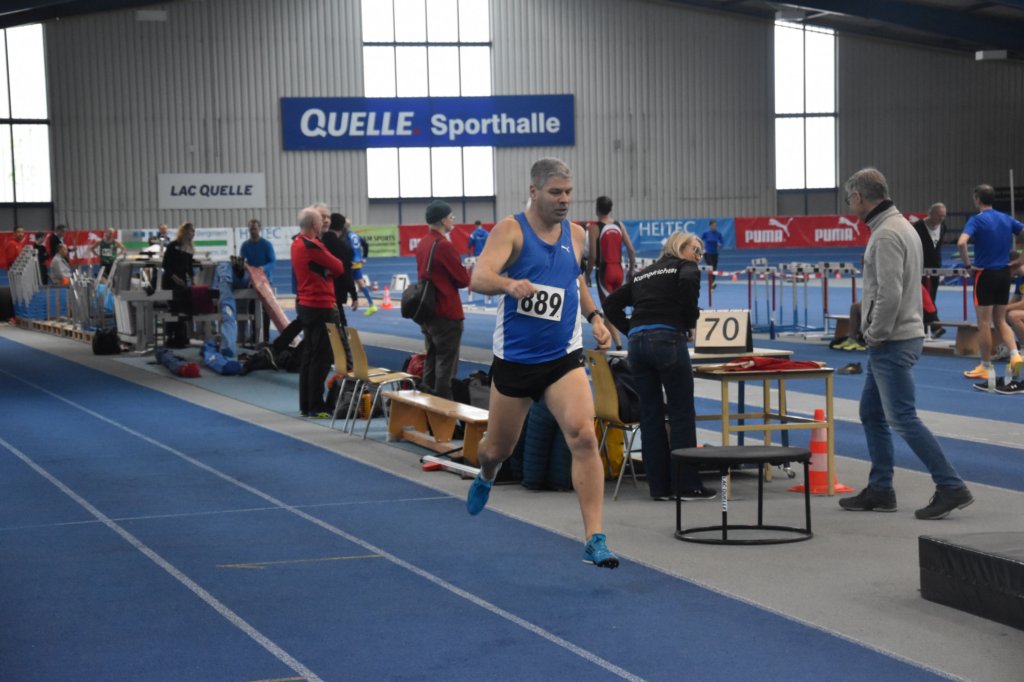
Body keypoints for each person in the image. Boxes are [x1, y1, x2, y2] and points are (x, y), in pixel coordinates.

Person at [465, 157, 619, 568]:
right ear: (534, 192)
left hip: (562, 358)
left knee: (583, 436)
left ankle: (595, 539)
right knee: (498, 449)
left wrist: (594, 317)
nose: (564, 199)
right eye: (555, 193)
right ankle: (486, 474)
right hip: (516, 360)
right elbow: (479, 277)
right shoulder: (510, 230)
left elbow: (574, 278)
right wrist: (508, 284)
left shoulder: (578, 234)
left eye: (569, 192)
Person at [838, 168, 974, 520]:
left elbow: (890, 292)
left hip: (892, 339)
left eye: (849, 199)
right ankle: (881, 489)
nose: (849, 205)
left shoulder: (885, 234)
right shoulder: (903, 226)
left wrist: (875, 333)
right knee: (872, 413)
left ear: (859, 197)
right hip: (900, 335)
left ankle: (950, 485)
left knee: (902, 417)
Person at [604, 231, 715, 501]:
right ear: (679, 247)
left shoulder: (644, 273)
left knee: (650, 415)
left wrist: (632, 330)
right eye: (695, 250)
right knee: (681, 413)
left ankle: (659, 487)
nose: (698, 257)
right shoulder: (685, 267)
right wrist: (689, 322)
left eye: (701, 253)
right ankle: (686, 486)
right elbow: (689, 281)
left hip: (638, 346)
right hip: (667, 340)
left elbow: (610, 303)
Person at [959, 184, 1024, 389]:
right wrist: (1020, 260)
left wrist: (968, 265)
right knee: (1001, 320)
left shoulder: (976, 220)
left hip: (985, 274)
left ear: (977, 199)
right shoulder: (1006, 218)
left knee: (984, 322)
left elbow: (961, 242)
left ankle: (985, 365)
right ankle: (1015, 354)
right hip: (1004, 274)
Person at [291, 207, 345, 418]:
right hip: (320, 305)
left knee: (309, 355)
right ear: (315, 225)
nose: (324, 223)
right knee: (322, 357)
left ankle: (306, 404)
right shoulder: (311, 245)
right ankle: (316, 405)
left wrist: (324, 270)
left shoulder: (296, 243)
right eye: (321, 220)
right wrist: (326, 271)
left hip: (306, 304)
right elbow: (338, 266)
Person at [416, 200, 471, 398]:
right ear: (442, 220)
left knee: (431, 361)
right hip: (446, 312)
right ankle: (443, 407)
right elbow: (462, 280)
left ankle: (427, 403)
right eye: (450, 216)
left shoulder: (423, 243)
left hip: (428, 312)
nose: (452, 219)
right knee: (446, 368)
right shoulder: (444, 245)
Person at [590, 196, 637, 351]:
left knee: (608, 308)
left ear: (597, 209)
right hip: (619, 270)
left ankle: (618, 344)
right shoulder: (619, 225)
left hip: (605, 272)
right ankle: (602, 343)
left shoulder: (595, 228)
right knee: (612, 307)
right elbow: (631, 250)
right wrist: (631, 270)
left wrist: (587, 274)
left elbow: (593, 256)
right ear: (610, 209)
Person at [321, 212, 358, 369]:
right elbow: (346, 273)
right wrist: (354, 295)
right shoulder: (341, 246)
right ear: (343, 228)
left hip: (319, 293)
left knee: (323, 330)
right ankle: (347, 364)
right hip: (335, 294)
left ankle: (327, 358)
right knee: (340, 328)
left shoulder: (319, 242)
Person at [239, 218, 277, 343]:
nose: (252, 231)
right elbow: (243, 262)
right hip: (251, 282)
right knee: (252, 310)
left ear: (259, 229)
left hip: (265, 281)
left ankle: (265, 337)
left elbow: (272, 262)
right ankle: (254, 335)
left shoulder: (267, 245)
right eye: (251, 229)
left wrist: (263, 268)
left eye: (254, 229)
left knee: (266, 311)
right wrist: (244, 266)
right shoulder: (245, 246)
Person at [913, 203, 948, 337]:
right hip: (919, 267)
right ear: (930, 214)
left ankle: (929, 326)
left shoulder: (943, 227)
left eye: (943, 216)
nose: (941, 219)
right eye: (939, 216)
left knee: (932, 296)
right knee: (924, 297)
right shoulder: (918, 227)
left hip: (935, 267)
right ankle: (934, 325)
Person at [161, 221, 197, 348]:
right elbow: (165, 265)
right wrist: (175, 278)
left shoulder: (190, 249)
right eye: (191, 231)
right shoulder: (173, 246)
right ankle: (171, 336)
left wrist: (193, 280)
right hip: (170, 280)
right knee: (174, 308)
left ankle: (181, 335)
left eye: (194, 232)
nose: (193, 234)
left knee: (184, 308)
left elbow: (189, 267)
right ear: (185, 232)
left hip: (182, 282)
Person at [346, 222, 376, 315]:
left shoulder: (345, 236)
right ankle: (372, 304)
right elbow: (366, 244)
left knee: (343, 283)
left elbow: (348, 248)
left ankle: (351, 302)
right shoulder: (355, 235)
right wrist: (364, 257)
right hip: (357, 263)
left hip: (350, 263)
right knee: (361, 284)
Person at [701, 220, 724, 289]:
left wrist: (720, 244)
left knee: (714, 268)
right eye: (713, 226)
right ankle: (712, 282)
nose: (715, 227)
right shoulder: (706, 233)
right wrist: (702, 248)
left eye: (716, 226)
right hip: (707, 253)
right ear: (710, 226)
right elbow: (700, 240)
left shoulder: (718, 234)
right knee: (710, 267)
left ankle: (712, 282)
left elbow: (722, 243)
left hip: (715, 253)